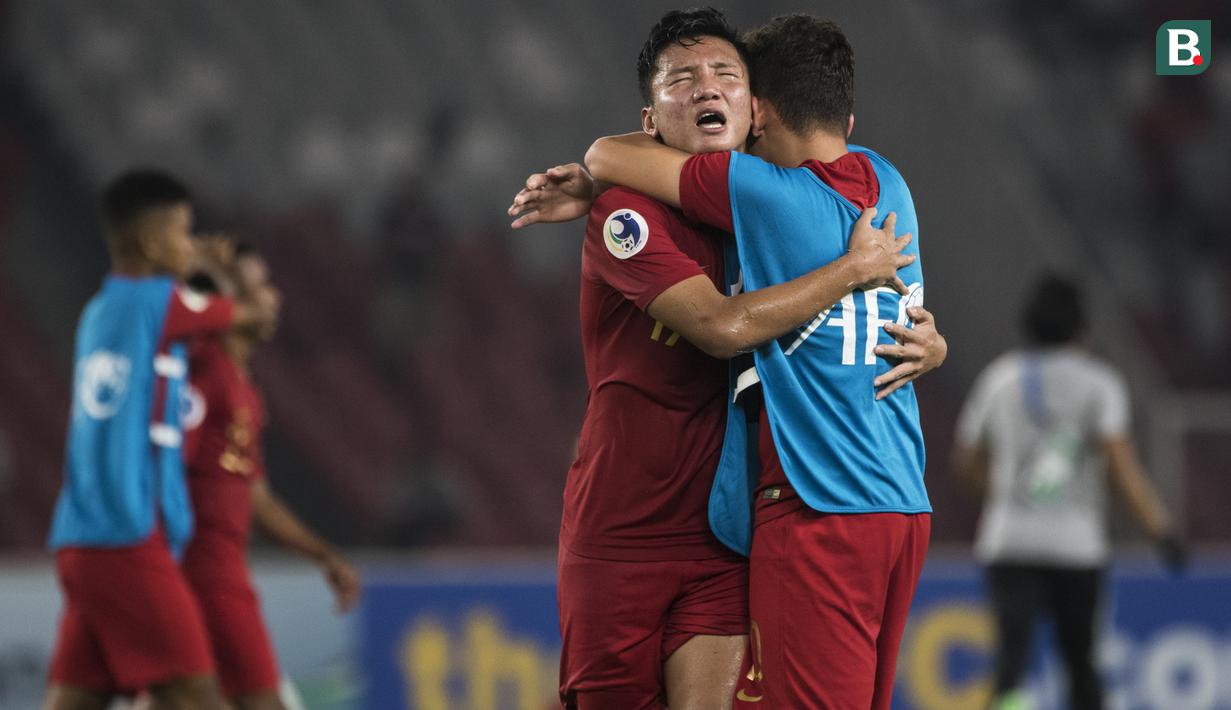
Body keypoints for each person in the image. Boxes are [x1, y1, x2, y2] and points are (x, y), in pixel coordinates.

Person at [509, 9, 946, 708]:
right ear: (650, 120)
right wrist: (854, 272)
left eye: (725, 74)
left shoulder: (768, 203)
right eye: (681, 79)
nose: (706, 86)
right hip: (623, 528)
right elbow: (719, 325)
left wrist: (931, 339)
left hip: (727, 533)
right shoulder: (627, 216)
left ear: (755, 111)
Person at [44, 169, 275, 710]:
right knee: (197, 694)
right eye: (182, 232)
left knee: (75, 699)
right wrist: (223, 273)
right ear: (151, 243)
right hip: (126, 538)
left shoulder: (99, 312)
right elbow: (249, 314)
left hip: (80, 539)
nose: (189, 245)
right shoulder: (157, 302)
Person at [954, 275, 1183, 710]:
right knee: (1081, 661)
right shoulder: (1099, 384)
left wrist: (1003, 499)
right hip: (1076, 547)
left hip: (1009, 542)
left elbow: (966, 461)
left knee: (1011, 661)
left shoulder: (1000, 378)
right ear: (1082, 328)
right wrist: (1161, 530)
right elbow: (1121, 467)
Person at [178, 242, 362, 710]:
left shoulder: (240, 386)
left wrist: (322, 555)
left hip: (219, 571)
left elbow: (254, 496)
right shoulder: (203, 375)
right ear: (228, 303)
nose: (273, 298)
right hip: (203, 576)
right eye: (258, 287)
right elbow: (165, 470)